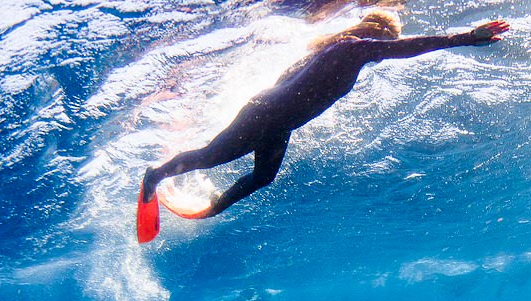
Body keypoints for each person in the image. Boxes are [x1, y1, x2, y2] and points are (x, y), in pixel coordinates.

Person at [136, 11, 509, 242]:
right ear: (379, 34)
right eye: (388, 43)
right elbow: (411, 47)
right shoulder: (353, 48)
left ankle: (213, 207)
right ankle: (154, 176)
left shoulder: (336, 51)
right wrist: (466, 38)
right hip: (266, 115)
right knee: (209, 157)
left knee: (263, 177)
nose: (386, 51)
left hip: (278, 123)